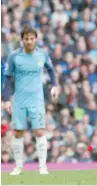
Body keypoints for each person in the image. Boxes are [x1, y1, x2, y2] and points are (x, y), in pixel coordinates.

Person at [3, 25, 59, 175]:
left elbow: (52, 70)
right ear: (22, 40)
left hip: (37, 100)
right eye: (26, 38)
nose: (29, 41)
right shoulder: (14, 56)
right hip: (19, 100)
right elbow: (7, 79)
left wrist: (55, 85)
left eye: (31, 38)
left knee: (40, 132)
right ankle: (18, 166)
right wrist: (6, 99)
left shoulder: (42, 55)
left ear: (36, 39)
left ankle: (42, 166)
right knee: (18, 132)